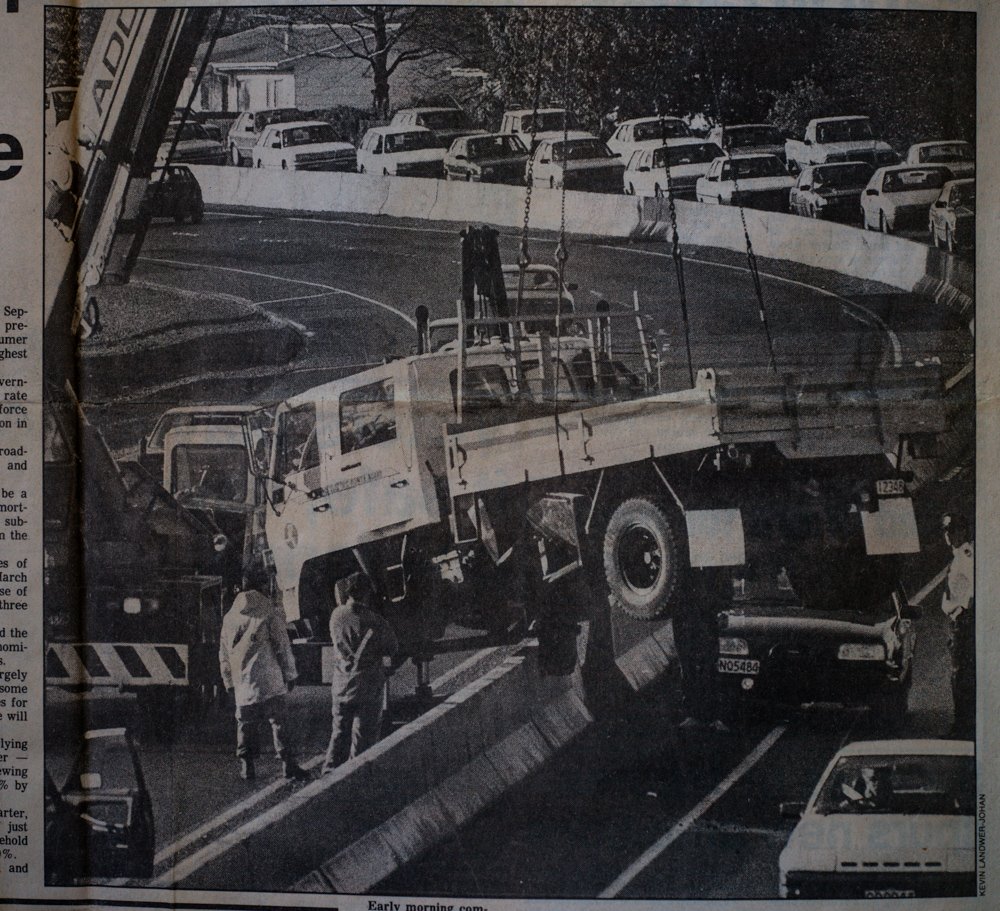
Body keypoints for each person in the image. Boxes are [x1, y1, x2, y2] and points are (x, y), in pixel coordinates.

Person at [218, 567, 309, 782]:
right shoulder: (269, 611)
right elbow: (282, 645)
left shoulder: (230, 617)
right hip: (269, 677)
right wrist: (290, 673)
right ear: (262, 585)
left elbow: (223, 652)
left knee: (245, 723)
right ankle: (289, 764)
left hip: (242, 681)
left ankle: (247, 766)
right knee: (279, 721)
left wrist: (228, 680)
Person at [322, 572, 399, 773]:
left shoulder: (336, 616)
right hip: (368, 686)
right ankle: (355, 778)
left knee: (338, 734)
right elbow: (392, 647)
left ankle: (328, 773)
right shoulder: (376, 621)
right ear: (367, 594)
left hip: (341, 685)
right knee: (363, 739)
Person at [941, 513, 975, 737]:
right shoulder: (959, 555)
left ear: (964, 531)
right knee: (960, 674)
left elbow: (974, 586)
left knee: (960, 674)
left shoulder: (965, 556)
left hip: (963, 622)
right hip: (959, 620)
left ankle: (962, 726)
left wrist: (963, 611)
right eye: (947, 531)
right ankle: (963, 722)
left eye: (954, 530)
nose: (950, 535)